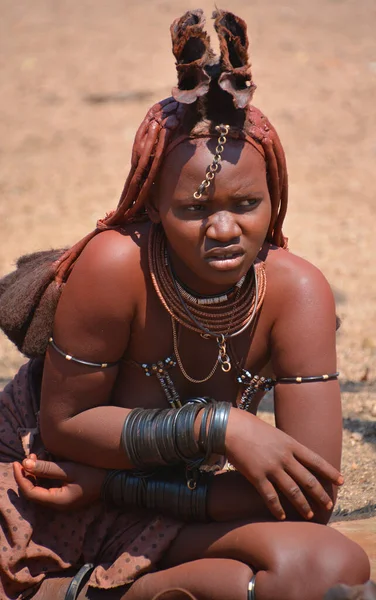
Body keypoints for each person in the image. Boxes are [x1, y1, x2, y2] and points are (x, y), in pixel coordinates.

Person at [0, 8, 371, 600]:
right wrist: (219, 425)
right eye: (195, 209)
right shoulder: (115, 265)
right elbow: (65, 427)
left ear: (276, 198)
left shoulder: (297, 293)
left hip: (138, 496)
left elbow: (308, 499)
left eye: (247, 204)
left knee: (328, 567)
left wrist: (122, 487)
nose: (223, 229)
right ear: (152, 207)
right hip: (46, 488)